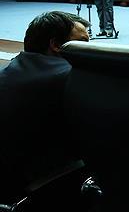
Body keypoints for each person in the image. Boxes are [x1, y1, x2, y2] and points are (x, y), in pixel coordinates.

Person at [0, 12, 90, 197]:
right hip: (43, 189)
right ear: (55, 45)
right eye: (83, 42)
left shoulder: (7, 72)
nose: (91, 49)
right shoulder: (70, 76)